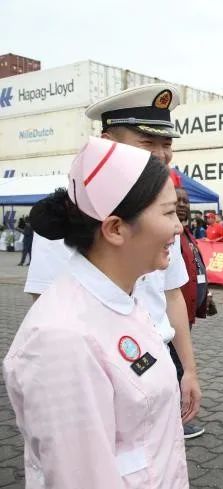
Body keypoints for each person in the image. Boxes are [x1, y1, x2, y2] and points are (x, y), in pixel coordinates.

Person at [4, 138, 188, 487]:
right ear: (115, 229)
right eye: (168, 213)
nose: (179, 227)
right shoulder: (62, 340)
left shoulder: (124, 299)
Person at [22, 84, 201, 430]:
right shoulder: (72, 210)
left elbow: (172, 295)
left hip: (159, 355)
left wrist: (188, 370)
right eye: (147, 142)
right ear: (106, 141)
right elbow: (46, 308)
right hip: (97, 366)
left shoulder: (162, 213)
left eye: (167, 144)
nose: (161, 155)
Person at [174, 184, 210, 439]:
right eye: (177, 201)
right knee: (176, 366)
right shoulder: (169, 235)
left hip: (186, 311)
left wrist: (206, 294)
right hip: (172, 315)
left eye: (185, 201)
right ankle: (178, 419)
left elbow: (196, 267)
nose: (182, 205)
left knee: (178, 363)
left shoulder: (186, 233)